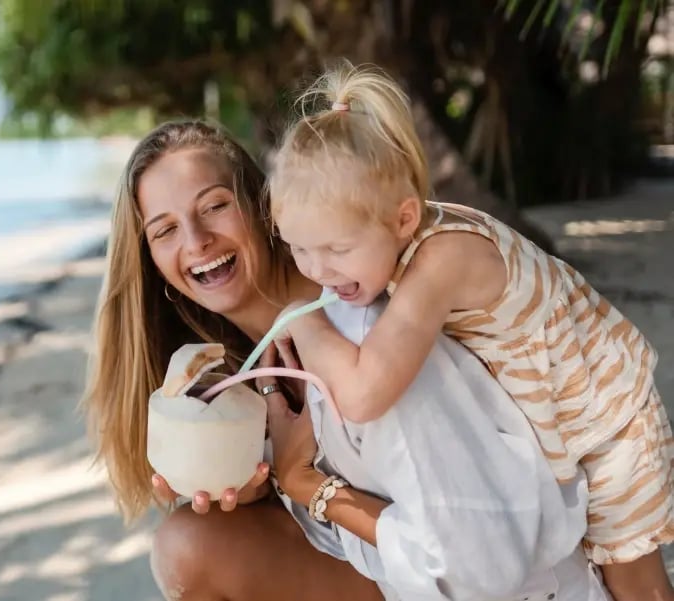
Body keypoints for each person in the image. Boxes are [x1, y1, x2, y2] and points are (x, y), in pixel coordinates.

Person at [83, 119, 606, 600]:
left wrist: (308, 485)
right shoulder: (254, 370)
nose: (196, 241)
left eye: (214, 206)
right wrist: (260, 489)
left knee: (190, 548)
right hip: (403, 581)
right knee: (193, 543)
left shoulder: (370, 344)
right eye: (165, 230)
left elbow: (482, 565)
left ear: (265, 207)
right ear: (153, 263)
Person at [268, 62, 674, 601]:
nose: (317, 271)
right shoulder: (390, 241)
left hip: (608, 421)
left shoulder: (443, 259)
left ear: (405, 219)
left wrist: (303, 315)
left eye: (337, 250)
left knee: (634, 578)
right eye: (298, 249)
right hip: (556, 411)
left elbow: (366, 393)